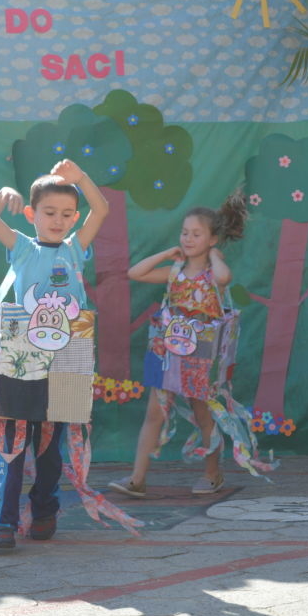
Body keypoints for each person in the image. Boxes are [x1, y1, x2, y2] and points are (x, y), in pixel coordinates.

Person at [0, 159, 108, 550]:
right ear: (32, 214)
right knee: (13, 439)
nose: (58, 219)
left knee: (51, 444)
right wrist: (3, 196)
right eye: (49, 212)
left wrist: (81, 178)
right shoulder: (22, 247)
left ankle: (45, 510)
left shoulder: (76, 248)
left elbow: (102, 210)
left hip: (68, 356)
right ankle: (2, 522)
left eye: (67, 214)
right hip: (20, 357)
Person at [109, 194, 259, 498]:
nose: (188, 238)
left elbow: (224, 277)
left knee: (203, 414)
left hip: (202, 354)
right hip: (169, 350)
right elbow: (134, 273)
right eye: (184, 232)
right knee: (154, 412)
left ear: (212, 239)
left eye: (196, 234)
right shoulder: (175, 273)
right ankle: (137, 479)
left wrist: (216, 256)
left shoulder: (211, 274)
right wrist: (167, 253)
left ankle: (212, 473)